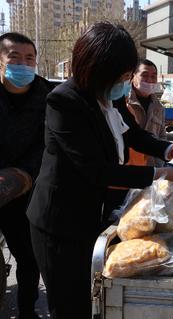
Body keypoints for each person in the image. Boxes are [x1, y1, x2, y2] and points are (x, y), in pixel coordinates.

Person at [26, 22, 173, 319]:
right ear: (98, 69)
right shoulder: (64, 102)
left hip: (92, 213)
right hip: (58, 223)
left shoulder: (111, 95)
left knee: (92, 296)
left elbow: (132, 134)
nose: (126, 80)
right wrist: (163, 174)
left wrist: (171, 149)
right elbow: (97, 171)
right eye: (122, 74)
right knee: (69, 305)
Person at [0, 32, 53, 319]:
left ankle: (26, 310)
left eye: (29, 58)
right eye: (14, 58)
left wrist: (24, 175)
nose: (23, 64)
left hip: (27, 190)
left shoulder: (49, 97)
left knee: (28, 259)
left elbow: (51, 144)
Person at [126, 59, 166, 166]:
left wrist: (160, 165)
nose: (150, 80)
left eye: (153, 76)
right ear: (133, 76)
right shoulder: (124, 103)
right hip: (128, 170)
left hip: (153, 170)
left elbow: (162, 137)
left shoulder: (159, 108)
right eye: (144, 75)